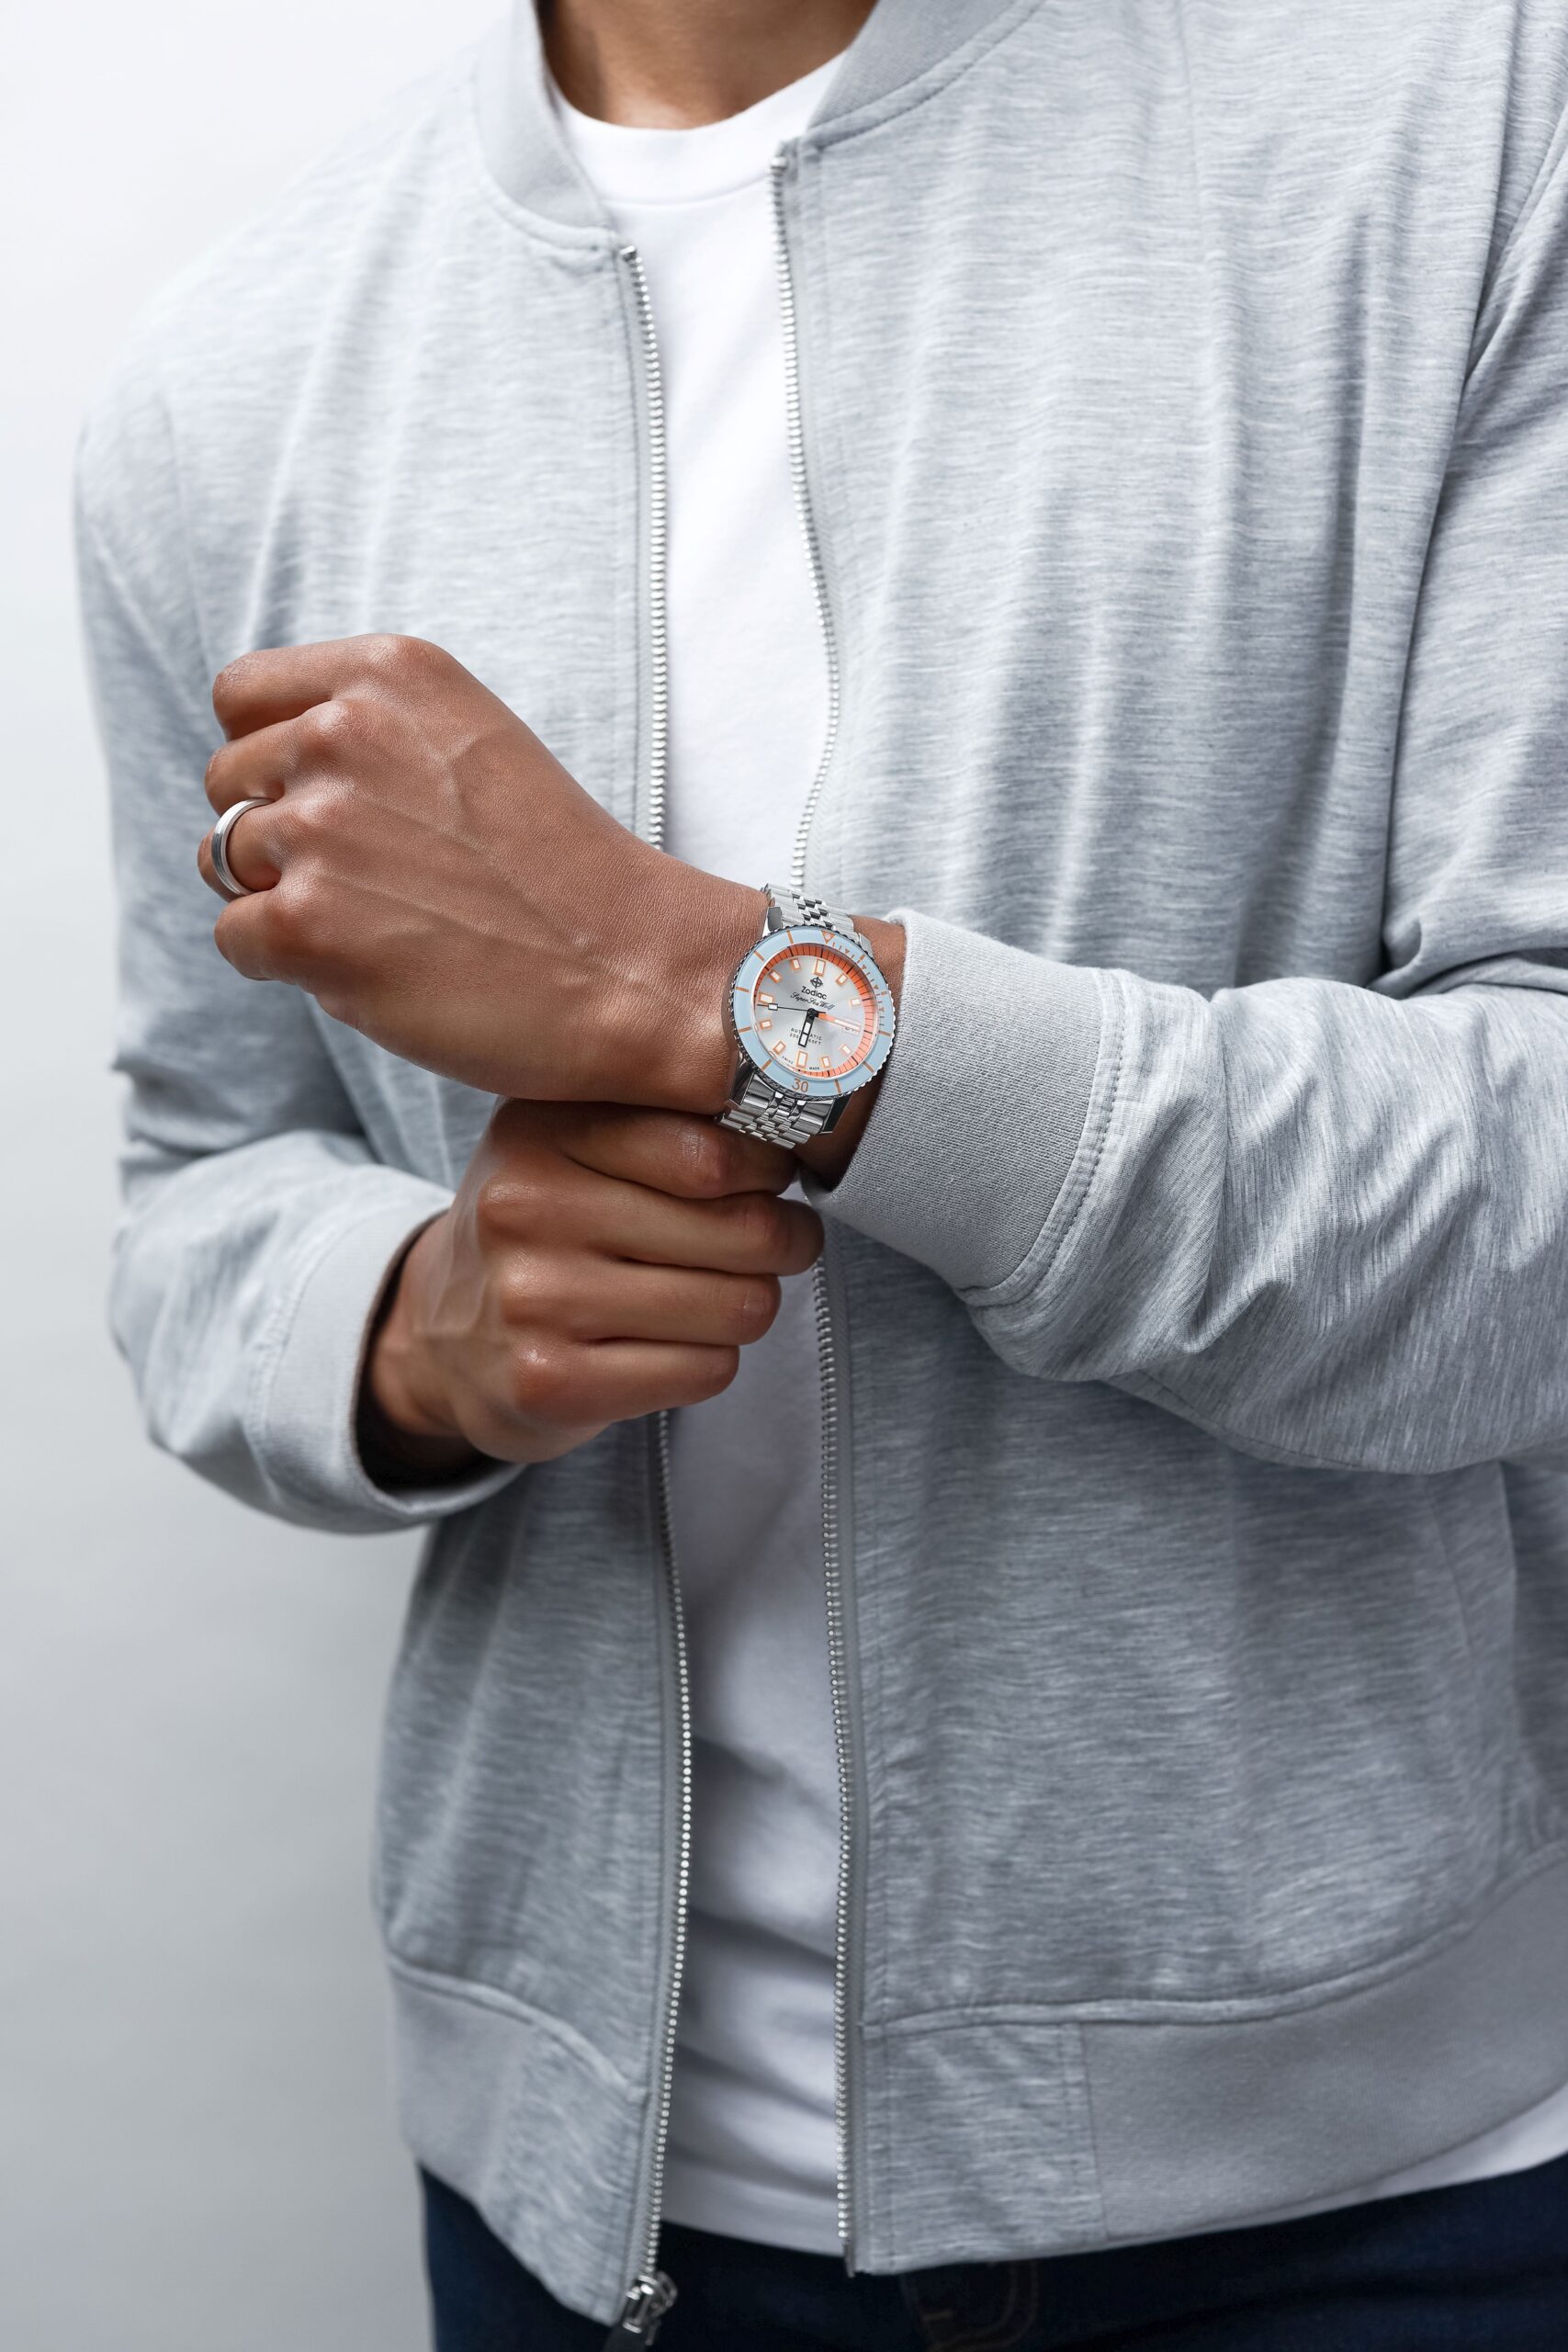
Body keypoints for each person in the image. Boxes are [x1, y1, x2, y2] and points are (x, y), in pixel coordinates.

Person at [77, 0, 1568, 2344]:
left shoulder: (1459, 112)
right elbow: (198, 1182)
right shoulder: (232, 372)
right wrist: (424, 1329)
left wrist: (733, 1003)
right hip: (590, 2211)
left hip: (1379, 2203)